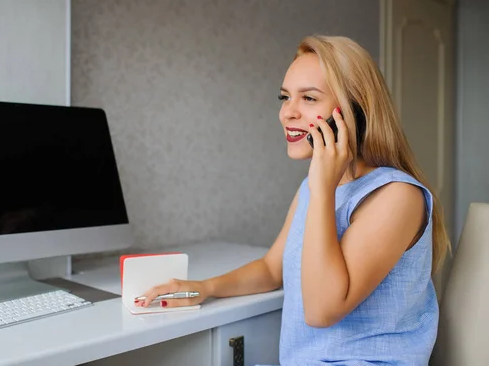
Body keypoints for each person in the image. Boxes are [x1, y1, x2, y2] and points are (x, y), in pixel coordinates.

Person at [137, 35, 451, 365]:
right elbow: (272, 269)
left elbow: (322, 310)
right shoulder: (315, 187)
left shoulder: (396, 196)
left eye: (309, 98)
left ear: (354, 110)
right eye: (285, 97)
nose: (288, 113)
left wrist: (322, 188)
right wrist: (204, 287)